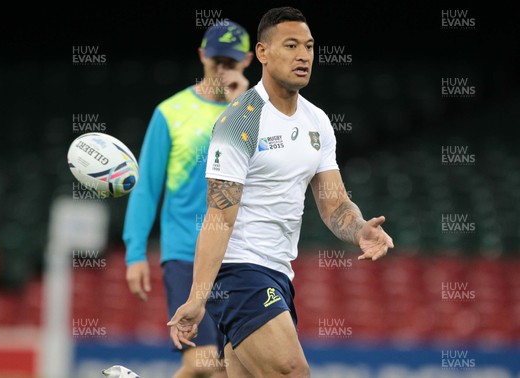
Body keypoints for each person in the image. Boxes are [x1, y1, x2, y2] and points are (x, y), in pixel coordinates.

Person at [167, 6, 394, 377]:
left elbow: (333, 202)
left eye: (309, 46)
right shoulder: (239, 120)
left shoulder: (317, 121)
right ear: (262, 53)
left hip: (279, 274)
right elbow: (218, 216)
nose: (303, 55)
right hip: (239, 272)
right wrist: (198, 297)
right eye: (290, 45)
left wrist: (359, 229)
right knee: (292, 371)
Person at [122, 20, 253, 378]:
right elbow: (146, 185)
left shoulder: (259, 114)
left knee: (229, 368)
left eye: (231, 61)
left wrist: (243, 105)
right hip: (185, 251)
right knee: (203, 362)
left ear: (248, 60)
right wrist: (135, 252)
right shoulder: (170, 112)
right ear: (201, 56)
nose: (224, 68)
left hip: (240, 252)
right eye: (217, 61)